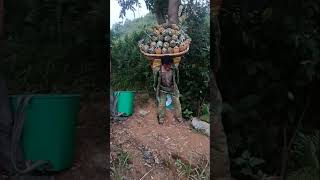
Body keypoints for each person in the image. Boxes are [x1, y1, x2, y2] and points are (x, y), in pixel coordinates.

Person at [153, 55, 183, 124]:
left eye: (169, 65)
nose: (168, 67)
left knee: (177, 103)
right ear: (163, 64)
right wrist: (155, 87)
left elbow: (177, 79)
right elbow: (156, 81)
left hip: (172, 88)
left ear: (171, 64)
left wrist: (175, 86)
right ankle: (161, 119)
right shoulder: (159, 71)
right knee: (161, 104)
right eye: (166, 65)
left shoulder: (174, 69)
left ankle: (179, 118)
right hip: (162, 89)